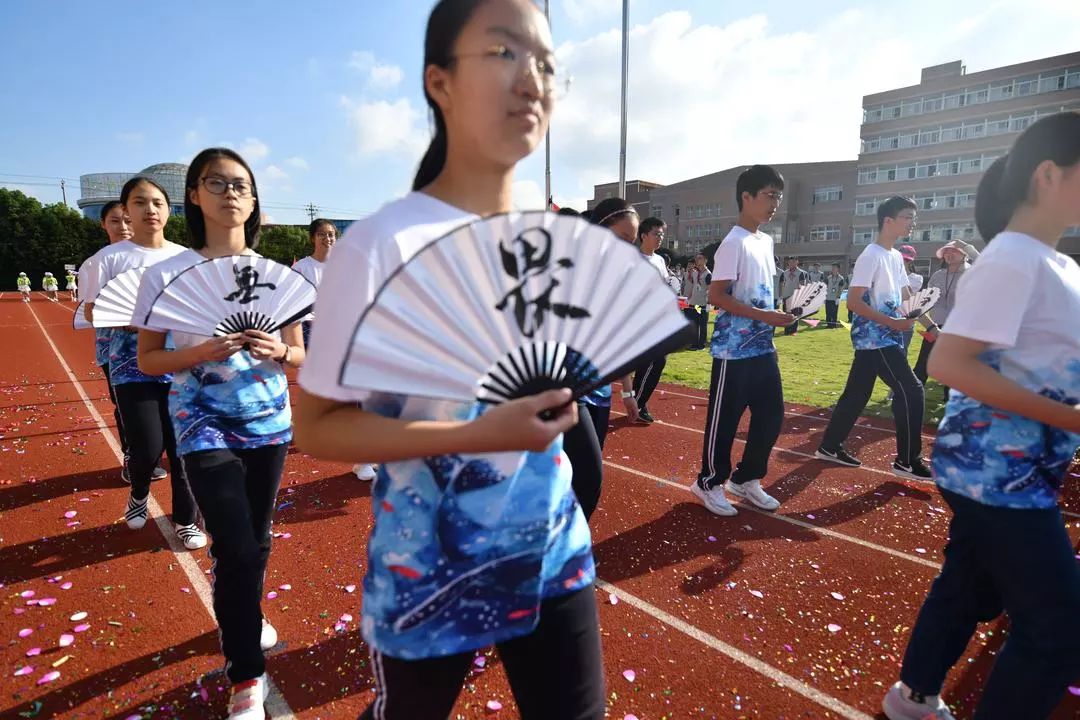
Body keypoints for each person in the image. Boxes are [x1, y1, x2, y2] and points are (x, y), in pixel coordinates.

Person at [294, 2, 605, 718]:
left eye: (547, 63)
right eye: (503, 53)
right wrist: (479, 432)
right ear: (439, 81)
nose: (532, 80)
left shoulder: (547, 241)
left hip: (553, 551)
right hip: (428, 562)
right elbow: (317, 427)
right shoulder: (381, 244)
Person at [882, 112, 1080, 720]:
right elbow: (950, 363)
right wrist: (1069, 418)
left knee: (970, 584)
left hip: (1017, 474)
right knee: (1058, 628)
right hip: (997, 477)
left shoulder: (1059, 264)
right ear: (1049, 175)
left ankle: (912, 696)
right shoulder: (1012, 259)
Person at [134, 148, 303, 720]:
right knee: (234, 542)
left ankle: (244, 612)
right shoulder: (165, 274)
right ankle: (246, 678)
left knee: (254, 539)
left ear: (254, 201)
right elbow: (149, 359)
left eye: (242, 185)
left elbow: (299, 353)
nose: (231, 192)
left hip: (270, 424)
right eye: (218, 182)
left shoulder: (277, 277)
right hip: (201, 425)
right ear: (195, 196)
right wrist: (203, 351)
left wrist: (277, 348)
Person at [81, 177, 205, 548]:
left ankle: (187, 520)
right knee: (147, 447)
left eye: (157, 202)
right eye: (140, 203)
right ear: (127, 210)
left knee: (183, 449)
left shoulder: (189, 257)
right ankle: (138, 492)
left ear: (168, 210)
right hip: (131, 364)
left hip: (182, 363)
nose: (150, 210)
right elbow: (92, 309)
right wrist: (130, 320)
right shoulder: (109, 259)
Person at [693, 165, 793, 517]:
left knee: (771, 415)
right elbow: (717, 296)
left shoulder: (765, 242)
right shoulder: (732, 243)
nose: (774, 204)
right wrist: (765, 317)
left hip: (762, 347)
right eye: (769, 196)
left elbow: (763, 295)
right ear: (746, 197)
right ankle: (708, 481)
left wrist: (772, 330)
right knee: (725, 421)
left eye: (778, 197)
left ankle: (746, 478)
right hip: (733, 351)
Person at [815, 196, 932, 480]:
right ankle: (907, 460)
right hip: (876, 338)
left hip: (885, 336)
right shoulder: (871, 254)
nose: (912, 222)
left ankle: (829, 446)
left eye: (912, 217)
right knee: (912, 390)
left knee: (856, 394)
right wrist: (892, 321)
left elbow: (907, 297)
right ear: (888, 220)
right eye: (907, 216)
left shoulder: (894, 256)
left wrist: (931, 326)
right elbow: (854, 302)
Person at [564, 196, 639, 520]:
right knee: (586, 480)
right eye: (622, 238)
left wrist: (628, 391)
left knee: (579, 482)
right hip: (564, 391)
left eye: (632, 243)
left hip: (598, 393)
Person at [294, 219, 377, 483]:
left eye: (331, 235)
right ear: (312, 238)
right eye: (322, 235)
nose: (327, 239)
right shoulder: (303, 267)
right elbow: (295, 304)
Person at [912, 239, 980, 401]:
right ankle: (912, 395)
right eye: (946, 252)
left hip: (959, 329)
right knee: (924, 362)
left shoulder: (973, 273)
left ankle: (950, 400)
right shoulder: (938, 275)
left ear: (964, 255)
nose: (949, 254)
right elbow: (926, 300)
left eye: (954, 251)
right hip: (935, 326)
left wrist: (966, 246)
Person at [632, 216, 671, 423]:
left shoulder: (660, 260)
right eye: (656, 234)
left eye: (662, 234)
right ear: (643, 235)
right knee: (657, 360)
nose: (660, 238)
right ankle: (637, 404)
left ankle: (639, 401)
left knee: (648, 363)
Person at [897, 244, 922, 353]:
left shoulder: (916, 279)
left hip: (906, 321)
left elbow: (908, 297)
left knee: (901, 354)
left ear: (910, 261)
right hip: (887, 319)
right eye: (900, 259)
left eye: (906, 260)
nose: (903, 262)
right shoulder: (888, 275)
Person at [684, 253, 711, 349]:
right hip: (693, 302)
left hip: (702, 303)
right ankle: (694, 344)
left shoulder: (708, 274)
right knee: (694, 325)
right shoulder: (695, 273)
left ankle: (701, 345)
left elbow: (709, 289)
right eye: (697, 259)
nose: (697, 261)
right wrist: (689, 298)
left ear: (705, 260)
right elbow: (693, 286)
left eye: (700, 258)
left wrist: (708, 303)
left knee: (702, 325)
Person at [778, 257, 807, 335]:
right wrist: (780, 296)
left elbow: (803, 285)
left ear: (797, 262)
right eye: (790, 262)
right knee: (787, 315)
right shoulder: (785, 273)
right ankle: (787, 331)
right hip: (786, 296)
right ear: (788, 263)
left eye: (794, 262)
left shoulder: (801, 273)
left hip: (795, 297)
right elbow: (781, 284)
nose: (792, 263)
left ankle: (793, 331)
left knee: (795, 315)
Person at [824, 262, 846, 328]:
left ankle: (833, 324)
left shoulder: (841, 278)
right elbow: (825, 287)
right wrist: (824, 297)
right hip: (828, 298)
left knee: (834, 312)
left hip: (835, 298)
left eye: (835, 267)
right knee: (828, 312)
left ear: (838, 269)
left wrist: (838, 298)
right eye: (832, 268)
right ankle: (828, 324)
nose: (833, 269)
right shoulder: (828, 278)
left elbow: (840, 288)